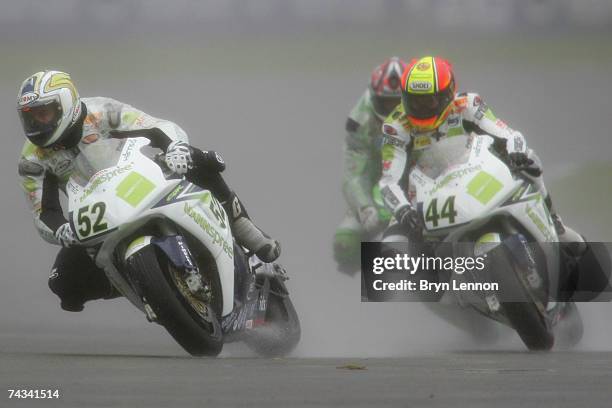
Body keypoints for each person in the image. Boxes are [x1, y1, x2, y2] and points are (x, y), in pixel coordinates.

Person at [17, 70, 280, 312]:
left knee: (200, 159)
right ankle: (145, 282)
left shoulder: (99, 112)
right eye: (29, 116)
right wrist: (61, 230)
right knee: (63, 285)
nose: (37, 123)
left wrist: (176, 147)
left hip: (140, 179)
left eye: (43, 113)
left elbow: (159, 126)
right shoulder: (32, 158)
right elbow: (43, 213)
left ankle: (247, 231)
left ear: (66, 105)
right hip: (97, 215)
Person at [378, 55, 584, 247]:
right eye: (414, 101)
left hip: (473, 178)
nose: (421, 108)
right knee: (389, 246)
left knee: (530, 159)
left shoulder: (467, 104)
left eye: (428, 101)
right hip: (421, 201)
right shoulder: (395, 126)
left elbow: (510, 135)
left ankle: (553, 221)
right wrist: (403, 210)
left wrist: (516, 152)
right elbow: (389, 181)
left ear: (447, 94)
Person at [333, 57, 407, 272]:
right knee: (345, 242)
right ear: (375, 97)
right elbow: (353, 174)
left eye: (399, 102)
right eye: (387, 102)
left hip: (424, 177)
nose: (393, 109)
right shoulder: (359, 120)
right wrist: (365, 208)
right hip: (382, 185)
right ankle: (389, 280)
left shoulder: (424, 107)